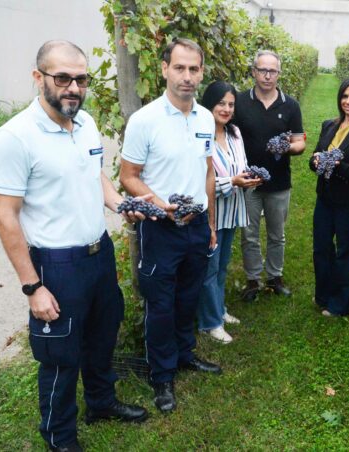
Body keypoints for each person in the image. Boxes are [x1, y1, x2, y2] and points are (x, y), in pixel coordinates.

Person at [0, 40, 148, 452]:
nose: (73, 87)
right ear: (38, 78)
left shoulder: (86, 124)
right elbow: (4, 216)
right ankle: (59, 437)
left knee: (102, 339)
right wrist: (32, 288)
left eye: (81, 79)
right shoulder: (15, 138)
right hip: (56, 268)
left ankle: (101, 402)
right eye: (62, 77)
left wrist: (121, 204)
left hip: (98, 255)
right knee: (60, 358)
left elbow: (93, 173)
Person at [119, 38, 220, 414]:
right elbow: (128, 175)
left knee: (188, 296)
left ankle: (184, 355)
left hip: (196, 227)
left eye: (194, 69)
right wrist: (162, 207)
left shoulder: (206, 118)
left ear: (201, 73)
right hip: (161, 228)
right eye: (179, 68)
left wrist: (209, 222)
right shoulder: (144, 120)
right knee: (160, 304)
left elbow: (207, 171)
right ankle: (161, 376)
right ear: (164, 69)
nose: (187, 76)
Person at [233, 50, 306, 302]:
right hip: (248, 182)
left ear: (279, 73)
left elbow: (300, 143)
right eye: (262, 70)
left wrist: (286, 147)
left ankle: (275, 277)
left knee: (277, 234)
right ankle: (253, 280)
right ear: (253, 71)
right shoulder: (239, 102)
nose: (267, 75)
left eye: (272, 71)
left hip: (278, 182)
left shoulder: (290, 105)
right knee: (249, 234)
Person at [198, 81, 262, 342]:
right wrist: (232, 182)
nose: (226, 109)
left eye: (231, 104)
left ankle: (219, 309)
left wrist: (248, 177)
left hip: (232, 209)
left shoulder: (234, 134)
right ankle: (209, 322)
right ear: (209, 104)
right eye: (221, 103)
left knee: (222, 265)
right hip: (211, 211)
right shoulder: (200, 135)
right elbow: (201, 177)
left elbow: (242, 165)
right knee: (208, 269)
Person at [308, 77, 349, 316]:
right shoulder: (329, 125)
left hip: (348, 202)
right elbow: (315, 157)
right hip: (324, 198)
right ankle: (323, 295)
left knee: (345, 251)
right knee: (321, 248)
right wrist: (316, 161)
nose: (348, 101)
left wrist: (337, 164)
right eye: (345, 96)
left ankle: (342, 304)